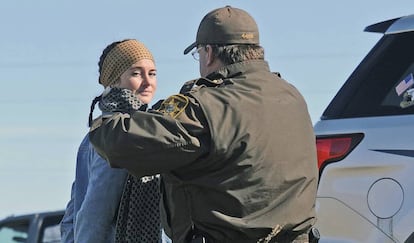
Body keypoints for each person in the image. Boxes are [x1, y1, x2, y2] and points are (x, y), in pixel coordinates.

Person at [89, 6, 319, 243]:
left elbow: (119, 141)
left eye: (198, 53)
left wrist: (113, 109)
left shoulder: (208, 105)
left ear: (208, 53)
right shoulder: (292, 97)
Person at [60, 39, 164, 242]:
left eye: (152, 73)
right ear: (114, 80)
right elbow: (95, 213)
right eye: (136, 73)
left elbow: (72, 214)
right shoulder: (120, 133)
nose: (147, 81)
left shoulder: (102, 131)